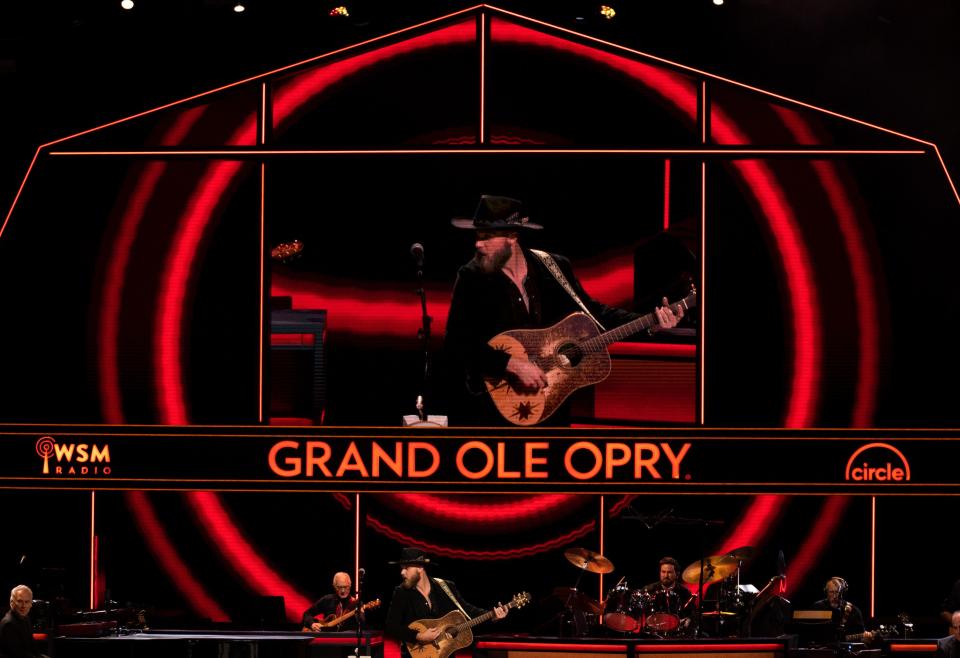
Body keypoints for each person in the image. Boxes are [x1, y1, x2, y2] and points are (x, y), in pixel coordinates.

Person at [443, 195, 683, 425]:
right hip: (496, 408)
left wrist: (650, 322)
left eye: (487, 237)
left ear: (512, 237)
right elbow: (458, 342)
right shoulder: (471, 277)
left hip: (552, 405)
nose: (478, 244)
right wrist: (510, 364)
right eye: (477, 236)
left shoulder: (552, 267)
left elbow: (595, 314)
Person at [384, 548, 508, 657]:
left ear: (420, 568)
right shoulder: (401, 592)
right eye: (401, 569)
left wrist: (493, 615)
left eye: (406, 568)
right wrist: (418, 636)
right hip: (418, 654)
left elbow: (467, 610)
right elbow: (391, 626)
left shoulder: (445, 587)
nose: (402, 572)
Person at [810, 577, 874, 642]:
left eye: (837, 592)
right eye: (831, 592)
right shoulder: (817, 607)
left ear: (843, 593)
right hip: (821, 649)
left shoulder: (854, 611)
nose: (834, 596)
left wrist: (866, 638)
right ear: (826, 592)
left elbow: (861, 636)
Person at [640, 557, 694, 632]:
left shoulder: (685, 592)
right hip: (652, 632)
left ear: (677, 574)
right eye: (663, 572)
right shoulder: (648, 590)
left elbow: (691, 613)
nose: (666, 575)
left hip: (677, 632)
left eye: (669, 572)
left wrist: (688, 619)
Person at [0, 585, 47, 658]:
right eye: (20, 601)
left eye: (27, 602)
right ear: (11, 603)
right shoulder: (8, 623)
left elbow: (33, 649)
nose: (23, 606)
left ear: (31, 604)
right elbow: (19, 654)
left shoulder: (26, 618)